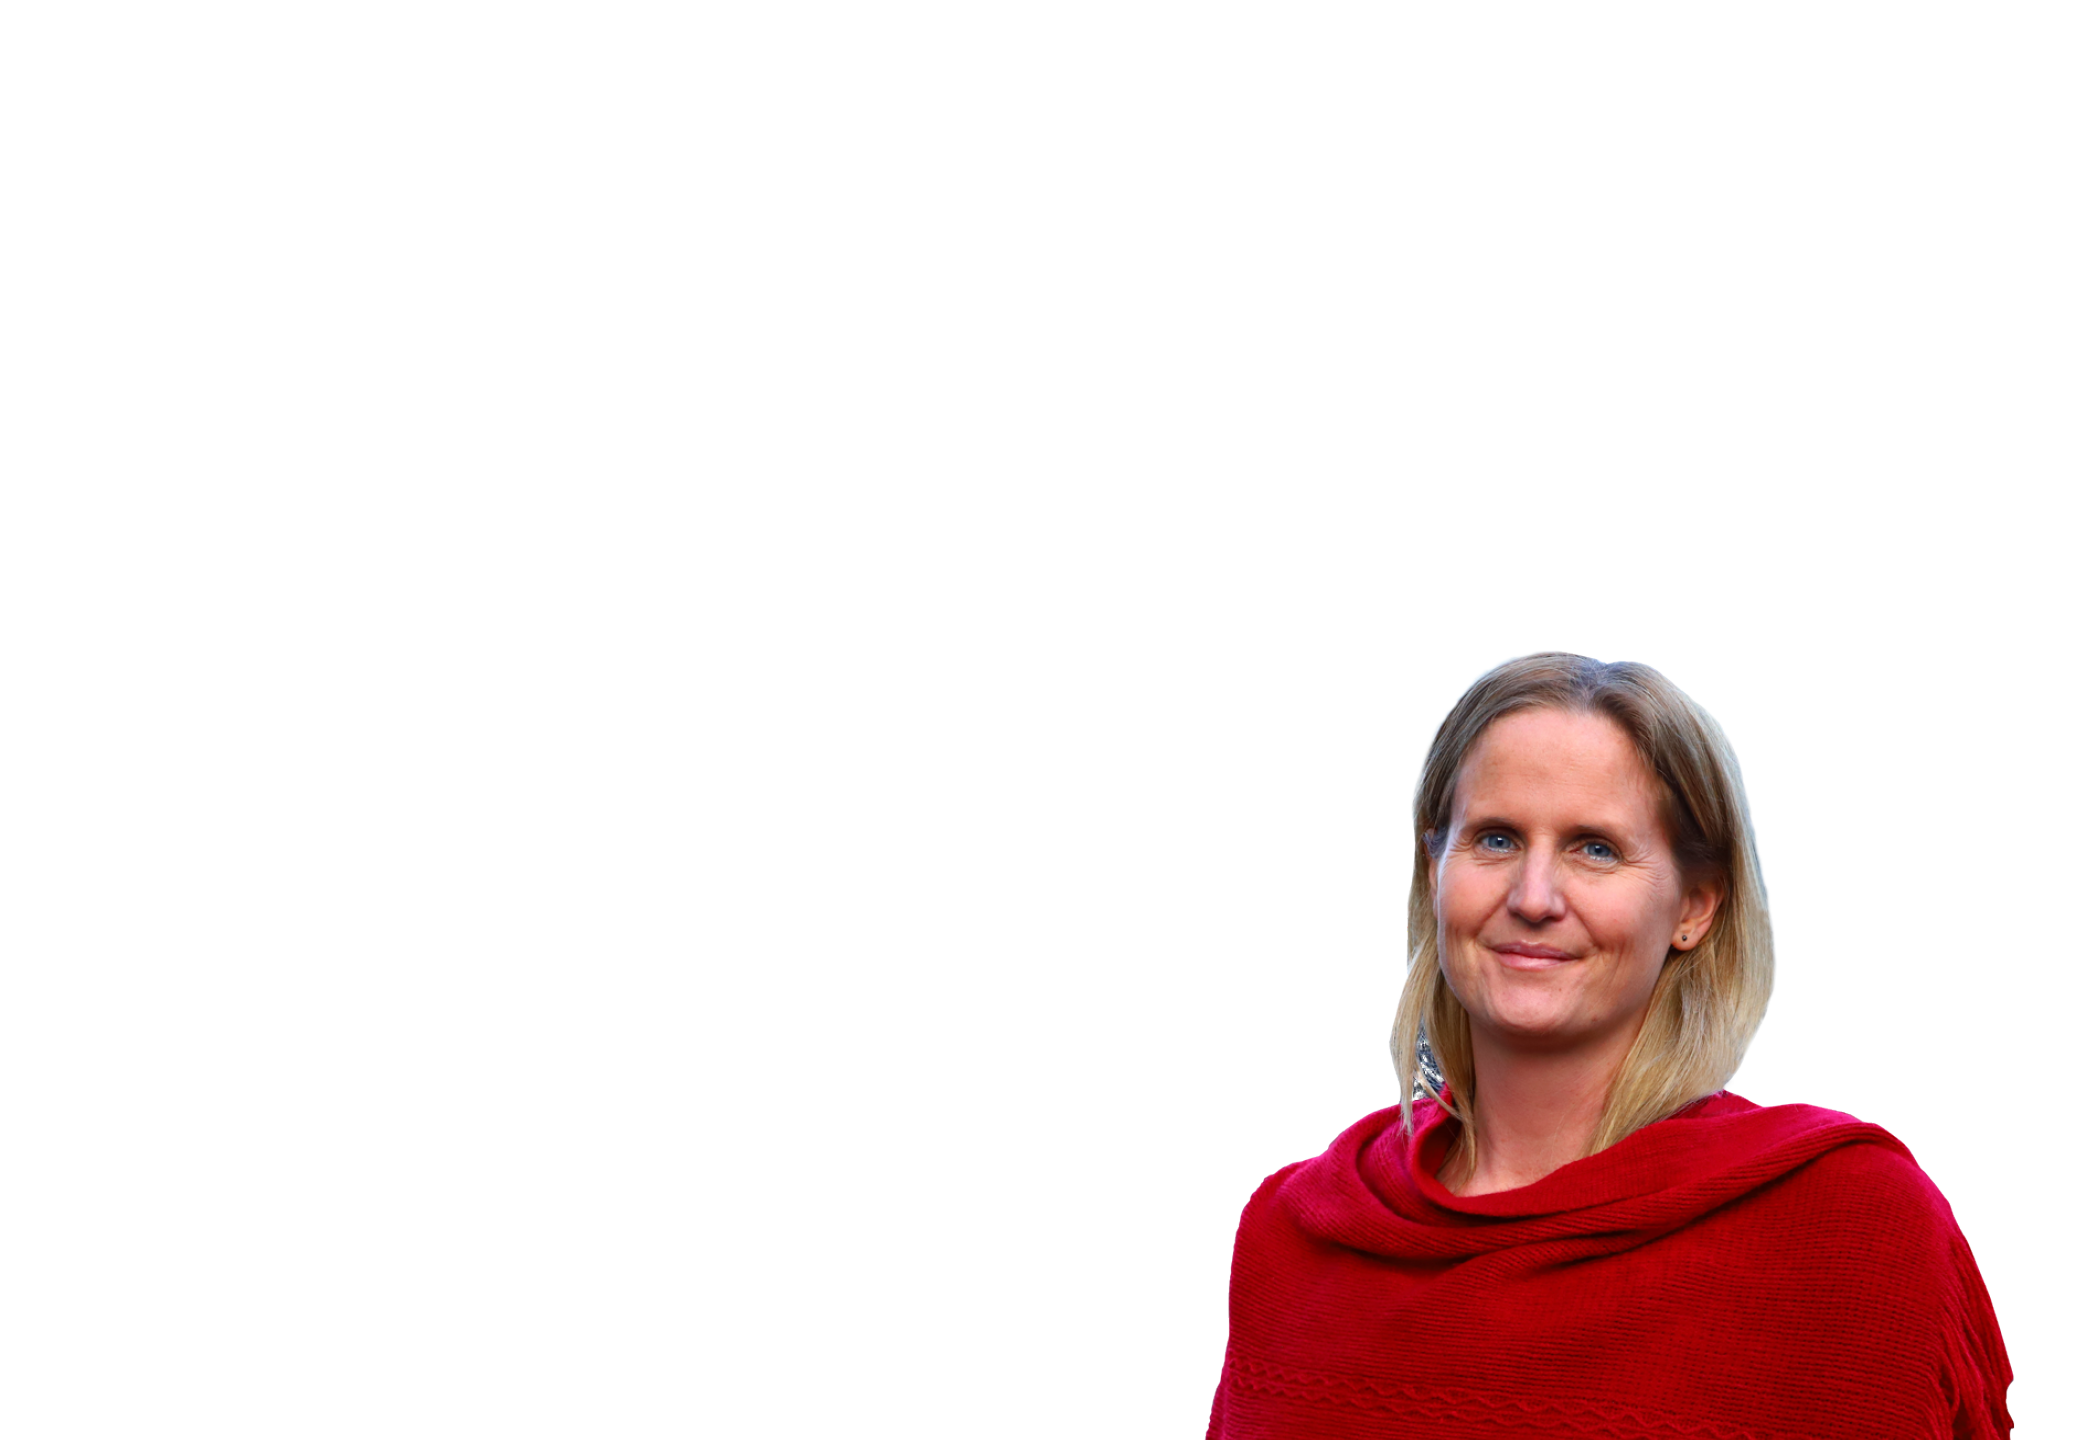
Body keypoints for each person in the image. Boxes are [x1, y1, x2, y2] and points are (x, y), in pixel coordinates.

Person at [1206, 651, 2012, 1439]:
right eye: (1494, 839)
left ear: (1695, 905)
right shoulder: (1296, 1235)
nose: (1532, 898)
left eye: (1594, 847)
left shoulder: (1851, 1228)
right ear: (1434, 865)